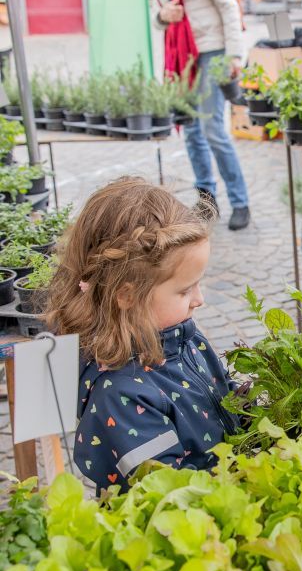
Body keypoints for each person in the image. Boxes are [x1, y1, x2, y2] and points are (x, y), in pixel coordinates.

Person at [47, 179, 237, 494]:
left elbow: (224, 395)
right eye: (185, 289)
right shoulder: (121, 396)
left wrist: (261, 403)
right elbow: (170, 494)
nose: (199, 299)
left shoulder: (182, 337)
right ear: (127, 296)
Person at [143, 0, 252, 232]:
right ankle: (207, 200)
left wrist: (234, 55)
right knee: (190, 129)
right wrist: (164, 14)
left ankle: (240, 200)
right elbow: (156, 11)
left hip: (211, 51)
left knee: (212, 129)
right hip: (181, 55)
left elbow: (228, 4)